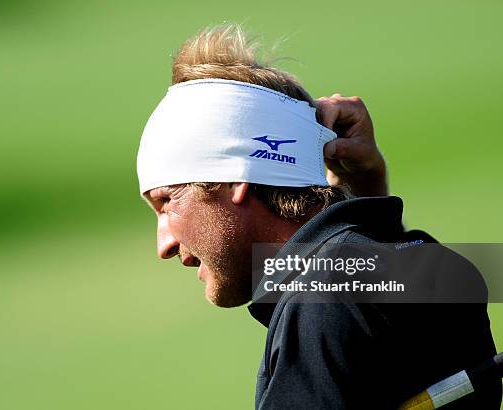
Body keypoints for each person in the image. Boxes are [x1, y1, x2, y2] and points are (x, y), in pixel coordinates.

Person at [136, 23, 502, 409]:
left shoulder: (319, 303)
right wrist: (363, 184)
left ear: (232, 182)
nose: (165, 244)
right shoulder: (421, 263)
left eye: (167, 202)